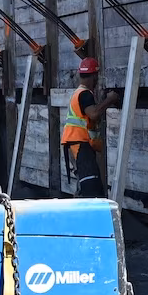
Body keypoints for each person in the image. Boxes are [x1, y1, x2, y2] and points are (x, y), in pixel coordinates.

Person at [60, 55, 121, 198]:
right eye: (97, 76)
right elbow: (93, 114)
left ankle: (78, 215)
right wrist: (110, 99)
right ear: (93, 76)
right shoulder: (85, 94)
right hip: (79, 144)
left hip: (74, 143)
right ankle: (87, 217)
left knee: (84, 184)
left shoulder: (78, 93)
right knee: (90, 187)